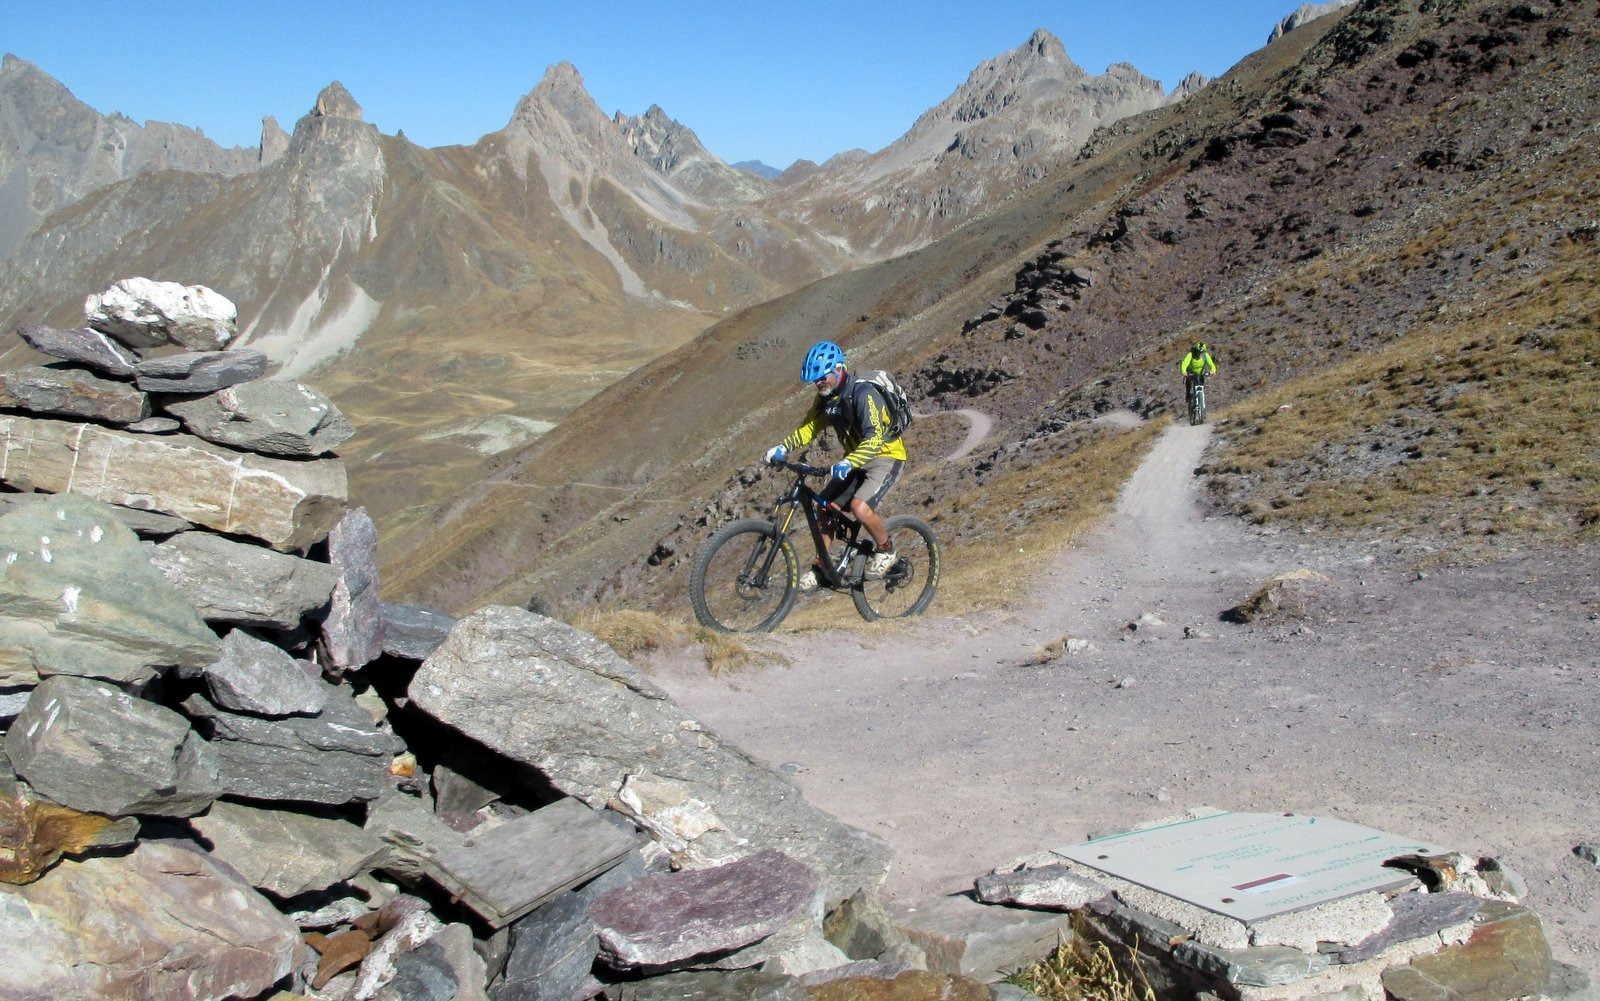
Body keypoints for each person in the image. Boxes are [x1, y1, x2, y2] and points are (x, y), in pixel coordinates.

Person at [764, 340, 907, 592]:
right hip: (854, 460)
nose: (818, 383)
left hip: (885, 457)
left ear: (839, 369)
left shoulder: (864, 394)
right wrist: (783, 447)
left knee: (859, 508)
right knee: (824, 508)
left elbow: (874, 438)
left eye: (822, 378)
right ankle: (822, 569)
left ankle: (887, 551)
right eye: (815, 380)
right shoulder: (826, 400)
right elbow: (808, 428)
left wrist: (849, 461)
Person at [1180, 341, 1217, 420]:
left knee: (1201, 387)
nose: (1199, 354)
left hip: (1200, 373)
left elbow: (1211, 364)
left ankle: (1202, 409)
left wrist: (1213, 370)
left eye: (1201, 352)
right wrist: (1184, 371)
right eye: (1198, 352)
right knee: (1189, 383)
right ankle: (1188, 396)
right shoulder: (1190, 355)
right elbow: (1184, 363)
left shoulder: (1205, 355)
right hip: (1191, 372)